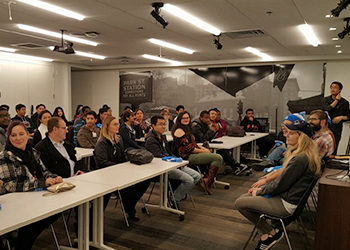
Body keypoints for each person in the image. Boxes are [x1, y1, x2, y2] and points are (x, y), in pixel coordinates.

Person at [235, 120, 321, 250]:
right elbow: (282, 183)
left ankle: (269, 233)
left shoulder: (300, 159)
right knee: (245, 197)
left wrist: (259, 191)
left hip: (286, 203)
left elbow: (280, 185)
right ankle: (269, 233)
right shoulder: (306, 156)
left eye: (291, 133)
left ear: (302, 137)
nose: (286, 135)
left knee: (240, 203)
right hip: (289, 199)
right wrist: (262, 188)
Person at [0, 121, 63, 250]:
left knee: (57, 209)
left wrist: (53, 177)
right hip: (16, 205)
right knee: (31, 225)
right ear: (8, 138)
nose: (18, 138)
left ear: (28, 135)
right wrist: (42, 183)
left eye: (21, 134)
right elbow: (9, 185)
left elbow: (44, 171)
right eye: (13, 135)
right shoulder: (5, 156)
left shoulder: (32, 152)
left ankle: (22, 243)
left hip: (35, 199)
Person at [94, 116, 150, 221]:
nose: (118, 126)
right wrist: (120, 168)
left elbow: (122, 158)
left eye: (117, 123)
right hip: (107, 176)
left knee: (144, 180)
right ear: (107, 127)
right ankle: (127, 203)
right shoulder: (101, 143)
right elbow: (102, 163)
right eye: (114, 124)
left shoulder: (118, 140)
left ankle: (129, 204)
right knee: (132, 186)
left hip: (120, 172)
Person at [145, 115, 200, 208]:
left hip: (171, 164)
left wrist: (179, 161)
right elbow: (160, 157)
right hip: (162, 168)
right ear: (153, 126)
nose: (163, 126)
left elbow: (169, 152)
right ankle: (174, 199)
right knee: (189, 180)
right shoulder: (151, 140)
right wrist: (176, 164)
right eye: (161, 124)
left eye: (164, 124)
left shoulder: (162, 137)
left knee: (197, 176)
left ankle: (174, 195)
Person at [172, 111, 224, 194]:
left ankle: (206, 178)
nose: (186, 120)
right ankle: (208, 181)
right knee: (218, 158)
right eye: (184, 118)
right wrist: (203, 151)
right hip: (187, 156)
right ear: (179, 119)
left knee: (212, 154)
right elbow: (188, 149)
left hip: (193, 153)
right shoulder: (179, 131)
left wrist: (202, 149)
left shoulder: (187, 128)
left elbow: (194, 144)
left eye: (187, 118)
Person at [192, 110, 248, 175]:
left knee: (222, 150)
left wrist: (214, 131)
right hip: (199, 148)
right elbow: (202, 139)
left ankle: (236, 166)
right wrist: (211, 131)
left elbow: (209, 138)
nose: (208, 120)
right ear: (200, 118)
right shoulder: (196, 126)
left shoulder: (206, 124)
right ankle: (236, 166)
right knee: (221, 151)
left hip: (205, 146)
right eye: (206, 118)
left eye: (208, 118)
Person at [322, 81, 350, 154]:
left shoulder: (345, 102)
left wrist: (341, 117)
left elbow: (348, 116)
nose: (332, 89)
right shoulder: (325, 100)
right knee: (324, 149)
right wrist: (337, 100)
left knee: (334, 149)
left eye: (335, 87)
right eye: (331, 87)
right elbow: (327, 109)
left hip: (336, 129)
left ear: (340, 90)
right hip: (325, 127)